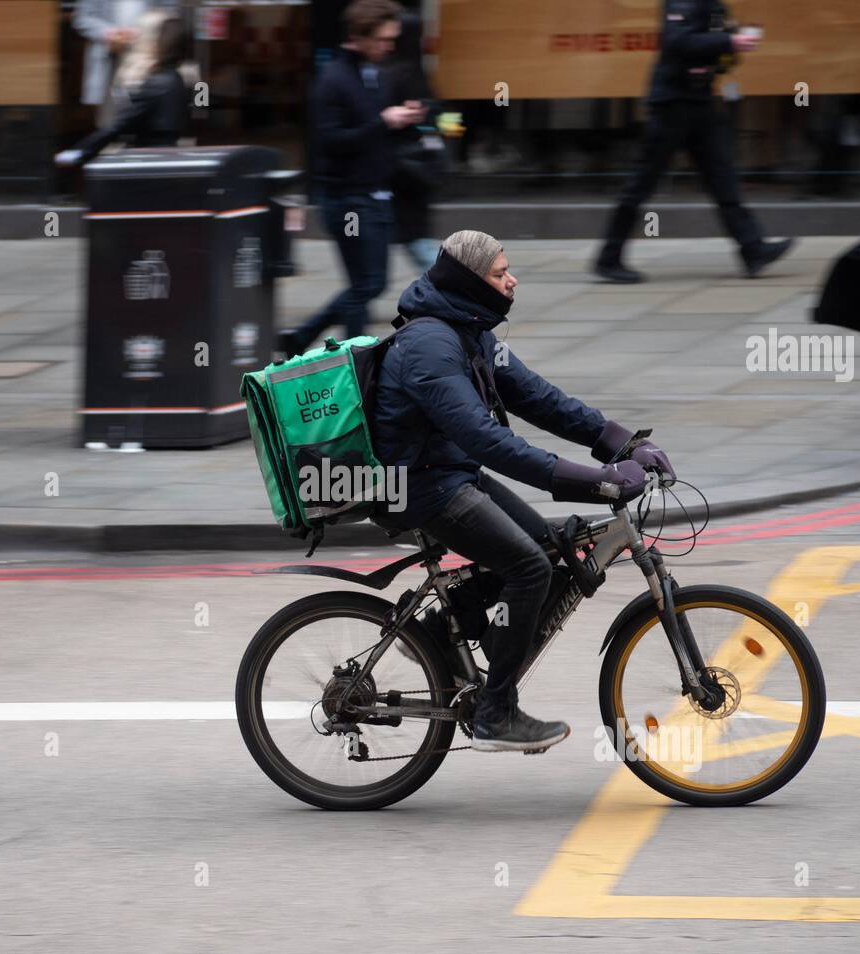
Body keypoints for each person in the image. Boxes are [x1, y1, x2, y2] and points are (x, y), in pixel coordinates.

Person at [373, 230, 675, 753]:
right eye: (499, 272)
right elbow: (487, 440)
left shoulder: (472, 331)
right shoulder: (430, 345)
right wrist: (595, 482)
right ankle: (494, 713)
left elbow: (539, 398)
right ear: (469, 281)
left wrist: (619, 443)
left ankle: (444, 628)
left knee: (549, 551)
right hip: (416, 485)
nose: (511, 280)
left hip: (448, 471)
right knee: (529, 568)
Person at [593, 0, 793, 284]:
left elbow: (714, 52)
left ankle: (753, 249)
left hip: (700, 102)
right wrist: (730, 40)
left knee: (722, 178)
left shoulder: (714, 5)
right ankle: (608, 259)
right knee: (642, 183)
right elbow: (677, 41)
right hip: (672, 105)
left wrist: (730, 49)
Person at [277, 0, 426, 357]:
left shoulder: (370, 72)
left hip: (372, 195)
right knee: (365, 284)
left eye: (392, 39)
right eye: (381, 39)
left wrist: (399, 121)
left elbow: (368, 130)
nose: (388, 46)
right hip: (346, 202)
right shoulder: (333, 80)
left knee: (369, 283)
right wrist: (383, 122)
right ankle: (354, 361)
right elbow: (331, 142)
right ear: (358, 37)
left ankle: (303, 337)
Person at [54, 11, 190, 167]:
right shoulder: (174, 77)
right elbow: (201, 103)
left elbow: (119, 125)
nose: (135, 38)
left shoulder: (157, 82)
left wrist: (79, 151)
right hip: (162, 157)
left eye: (141, 33)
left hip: (151, 160)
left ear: (153, 42)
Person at [384, 10, 443, 272]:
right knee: (416, 236)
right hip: (417, 166)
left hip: (402, 168)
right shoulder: (418, 72)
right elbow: (439, 117)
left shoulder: (392, 73)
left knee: (415, 240)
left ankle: (454, 293)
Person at [72, 0, 147, 126]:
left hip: (146, 52)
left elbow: (169, 13)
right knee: (108, 115)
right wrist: (109, 33)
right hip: (107, 52)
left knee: (143, 101)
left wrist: (141, 32)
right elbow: (81, 18)